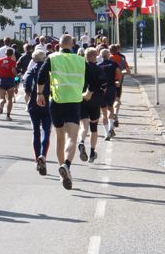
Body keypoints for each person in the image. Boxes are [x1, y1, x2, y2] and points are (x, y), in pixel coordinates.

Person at [36, 34, 89, 190]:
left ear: (58, 45)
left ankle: (62, 172)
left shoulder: (52, 58)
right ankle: (66, 165)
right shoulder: (80, 60)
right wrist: (85, 92)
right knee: (72, 137)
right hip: (74, 101)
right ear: (72, 45)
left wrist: (40, 94)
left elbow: (41, 75)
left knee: (59, 137)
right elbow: (88, 79)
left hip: (57, 100)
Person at [24, 50, 51, 176]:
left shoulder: (31, 70)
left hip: (34, 103)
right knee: (46, 130)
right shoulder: (49, 71)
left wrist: (30, 94)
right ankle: (43, 156)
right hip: (47, 102)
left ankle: (37, 159)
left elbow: (27, 85)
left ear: (33, 59)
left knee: (35, 131)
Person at [78, 48, 107, 163]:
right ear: (96, 56)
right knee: (94, 128)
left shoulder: (80, 69)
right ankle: (92, 153)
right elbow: (104, 85)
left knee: (83, 126)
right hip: (95, 101)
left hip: (81, 99)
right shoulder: (99, 69)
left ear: (85, 56)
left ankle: (81, 142)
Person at [98, 48, 122, 139]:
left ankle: (106, 132)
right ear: (109, 55)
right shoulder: (113, 64)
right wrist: (118, 81)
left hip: (102, 89)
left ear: (100, 56)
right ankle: (111, 128)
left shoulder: (98, 65)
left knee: (103, 112)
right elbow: (119, 72)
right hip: (111, 88)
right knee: (110, 108)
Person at [0, 48, 17, 121]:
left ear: (5, 53)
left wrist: (0, 73)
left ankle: (1, 104)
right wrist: (16, 74)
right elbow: (13, 71)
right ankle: (8, 116)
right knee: (10, 99)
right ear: (12, 54)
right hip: (10, 80)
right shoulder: (13, 61)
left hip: (2, 79)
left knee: (2, 98)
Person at [112, 44, 131, 127]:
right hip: (118, 82)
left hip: (108, 83)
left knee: (109, 103)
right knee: (117, 100)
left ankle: (110, 123)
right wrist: (120, 73)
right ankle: (115, 114)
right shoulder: (122, 58)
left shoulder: (107, 57)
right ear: (118, 50)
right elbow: (128, 71)